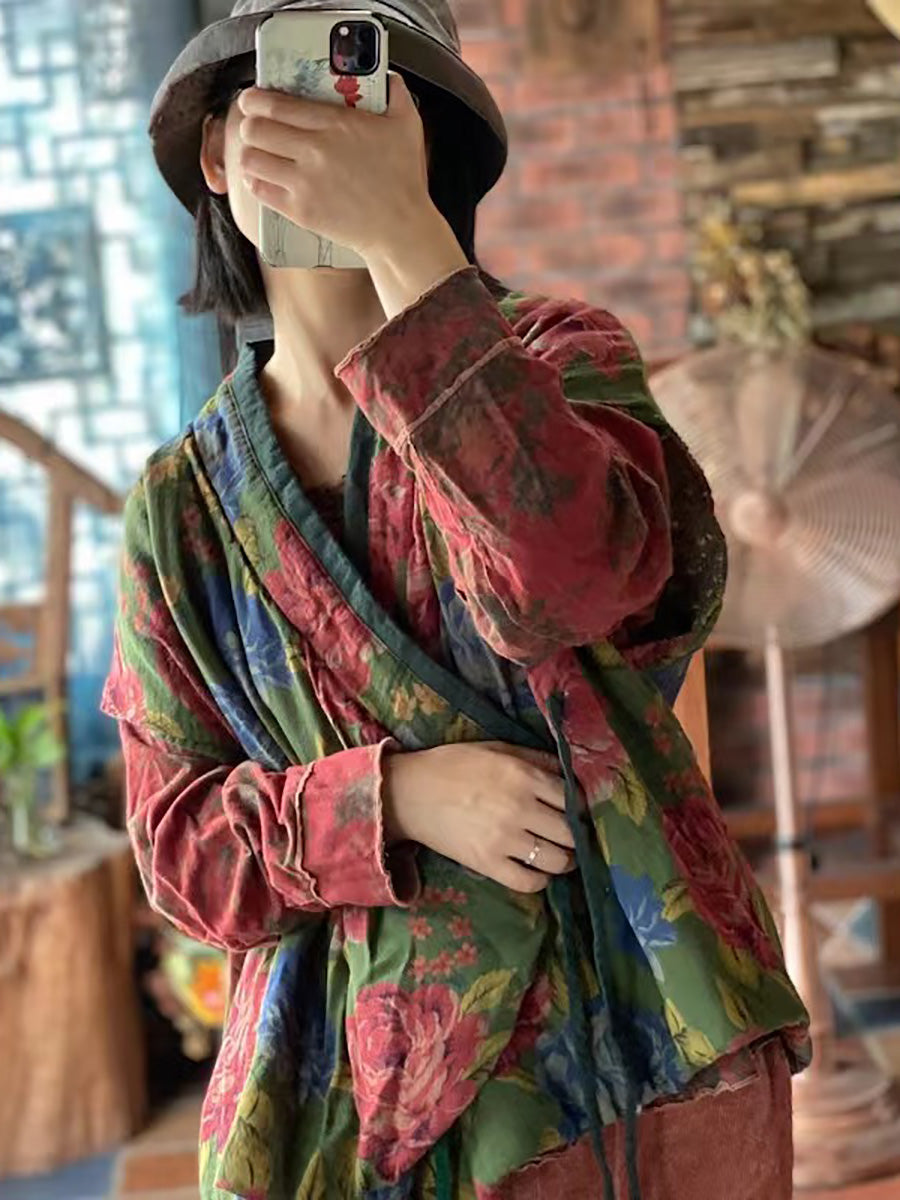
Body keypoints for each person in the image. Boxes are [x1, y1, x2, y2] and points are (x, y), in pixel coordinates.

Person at [102, 1, 810, 1197]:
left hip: (629, 1043)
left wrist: (402, 241)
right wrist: (391, 799)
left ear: (429, 149)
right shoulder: (180, 513)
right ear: (216, 152)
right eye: (287, 92)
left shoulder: (562, 361)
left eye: (370, 99)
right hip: (340, 1094)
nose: (330, 131)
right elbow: (181, 856)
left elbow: (573, 577)